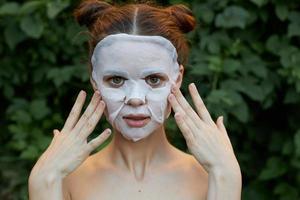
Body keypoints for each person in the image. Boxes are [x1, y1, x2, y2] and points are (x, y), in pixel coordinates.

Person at [28, 0, 242, 200]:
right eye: (117, 80)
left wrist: (226, 178)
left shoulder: (210, 176)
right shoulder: (66, 180)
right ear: (95, 81)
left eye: (154, 79)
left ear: (177, 80)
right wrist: (43, 182)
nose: (136, 99)